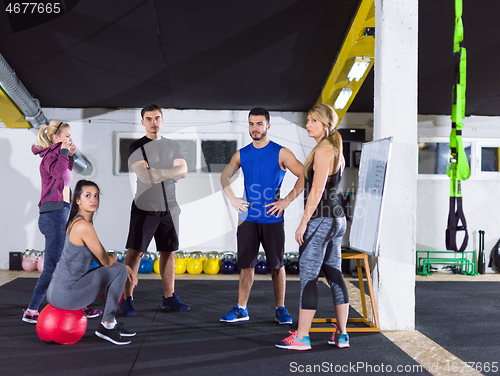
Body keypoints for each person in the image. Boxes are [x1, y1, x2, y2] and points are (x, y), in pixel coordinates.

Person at [275, 103, 349, 351]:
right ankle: (342, 334)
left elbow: (316, 191)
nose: (308, 124)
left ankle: (302, 337)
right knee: (334, 274)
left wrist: (303, 222)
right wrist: (286, 201)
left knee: (309, 278)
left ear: (326, 124)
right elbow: (310, 185)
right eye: (307, 120)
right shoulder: (334, 148)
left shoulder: (323, 150)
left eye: (313, 121)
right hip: (337, 219)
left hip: (321, 220)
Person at [220, 107, 304, 324]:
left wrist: (286, 200)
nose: (255, 128)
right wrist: (232, 198)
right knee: (246, 264)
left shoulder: (281, 152)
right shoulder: (242, 154)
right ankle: (241, 309)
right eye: (251, 123)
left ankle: (281, 308)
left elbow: (304, 174)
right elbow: (224, 176)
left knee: (277, 265)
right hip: (248, 219)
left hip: (272, 219)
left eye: (259, 124)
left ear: (268, 126)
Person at [23, 121, 102, 324]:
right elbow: (58, 173)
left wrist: (70, 155)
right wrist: (66, 153)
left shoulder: (58, 155)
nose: (70, 139)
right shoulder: (51, 155)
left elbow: (63, 178)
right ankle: (31, 310)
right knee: (52, 267)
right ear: (55, 138)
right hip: (53, 216)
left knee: (70, 262)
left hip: (61, 213)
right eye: (66, 136)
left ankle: (78, 303)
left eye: (70, 136)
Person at [47, 180, 137, 345]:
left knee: (118, 269)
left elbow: (99, 257)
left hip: (56, 291)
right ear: (78, 200)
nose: (93, 199)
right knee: (118, 270)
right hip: (65, 295)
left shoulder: (78, 221)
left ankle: (111, 323)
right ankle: (107, 325)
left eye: (96, 195)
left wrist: (120, 264)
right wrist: (121, 263)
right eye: (87, 195)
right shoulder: (83, 226)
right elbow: (106, 261)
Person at [121, 104, 189, 317]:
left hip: (170, 205)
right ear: (142, 122)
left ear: (162, 120)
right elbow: (144, 176)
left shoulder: (173, 145)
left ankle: (169, 297)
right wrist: (170, 172)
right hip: (145, 206)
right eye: (149, 119)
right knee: (135, 253)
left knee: (168, 252)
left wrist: (157, 172)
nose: (153, 122)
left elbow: (183, 171)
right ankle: (127, 298)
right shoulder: (136, 147)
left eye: (157, 118)